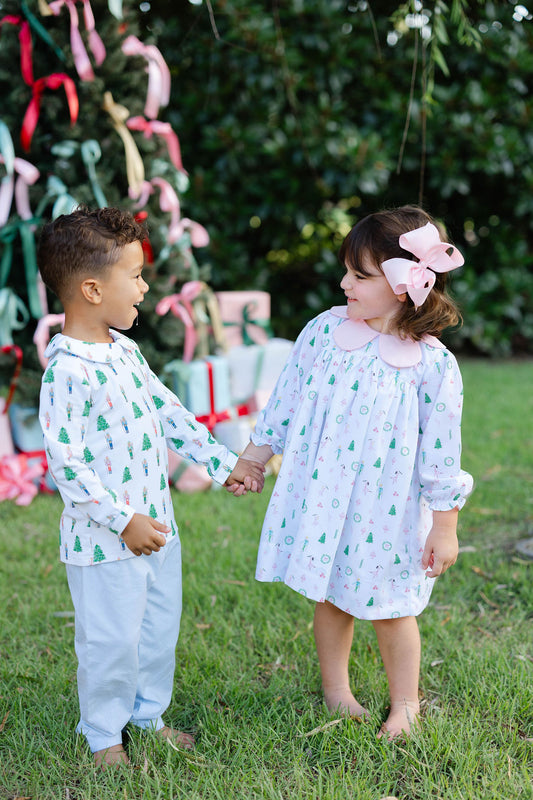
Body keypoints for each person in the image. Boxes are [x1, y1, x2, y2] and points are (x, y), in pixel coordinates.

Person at [37, 206, 264, 769]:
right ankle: (104, 737)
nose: (144, 287)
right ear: (92, 289)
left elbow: (170, 413)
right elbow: (67, 466)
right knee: (111, 643)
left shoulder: (126, 352)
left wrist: (223, 463)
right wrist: (123, 521)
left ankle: (148, 716)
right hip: (107, 544)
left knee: (157, 633)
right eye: (135, 276)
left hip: (159, 529)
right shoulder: (66, 370)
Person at [234, 205, 473, 740]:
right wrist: (253, 455)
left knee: (393, 607)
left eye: (360, 276)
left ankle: (405, 703)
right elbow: (286, 401)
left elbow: (441, 453)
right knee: (330, 595)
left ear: (402, 283)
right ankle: (336, 689)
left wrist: (445, 524)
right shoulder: (324, 333)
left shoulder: (433, 366)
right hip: (325, 498)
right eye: (347, 270)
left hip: (387, 508)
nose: (344, 283)